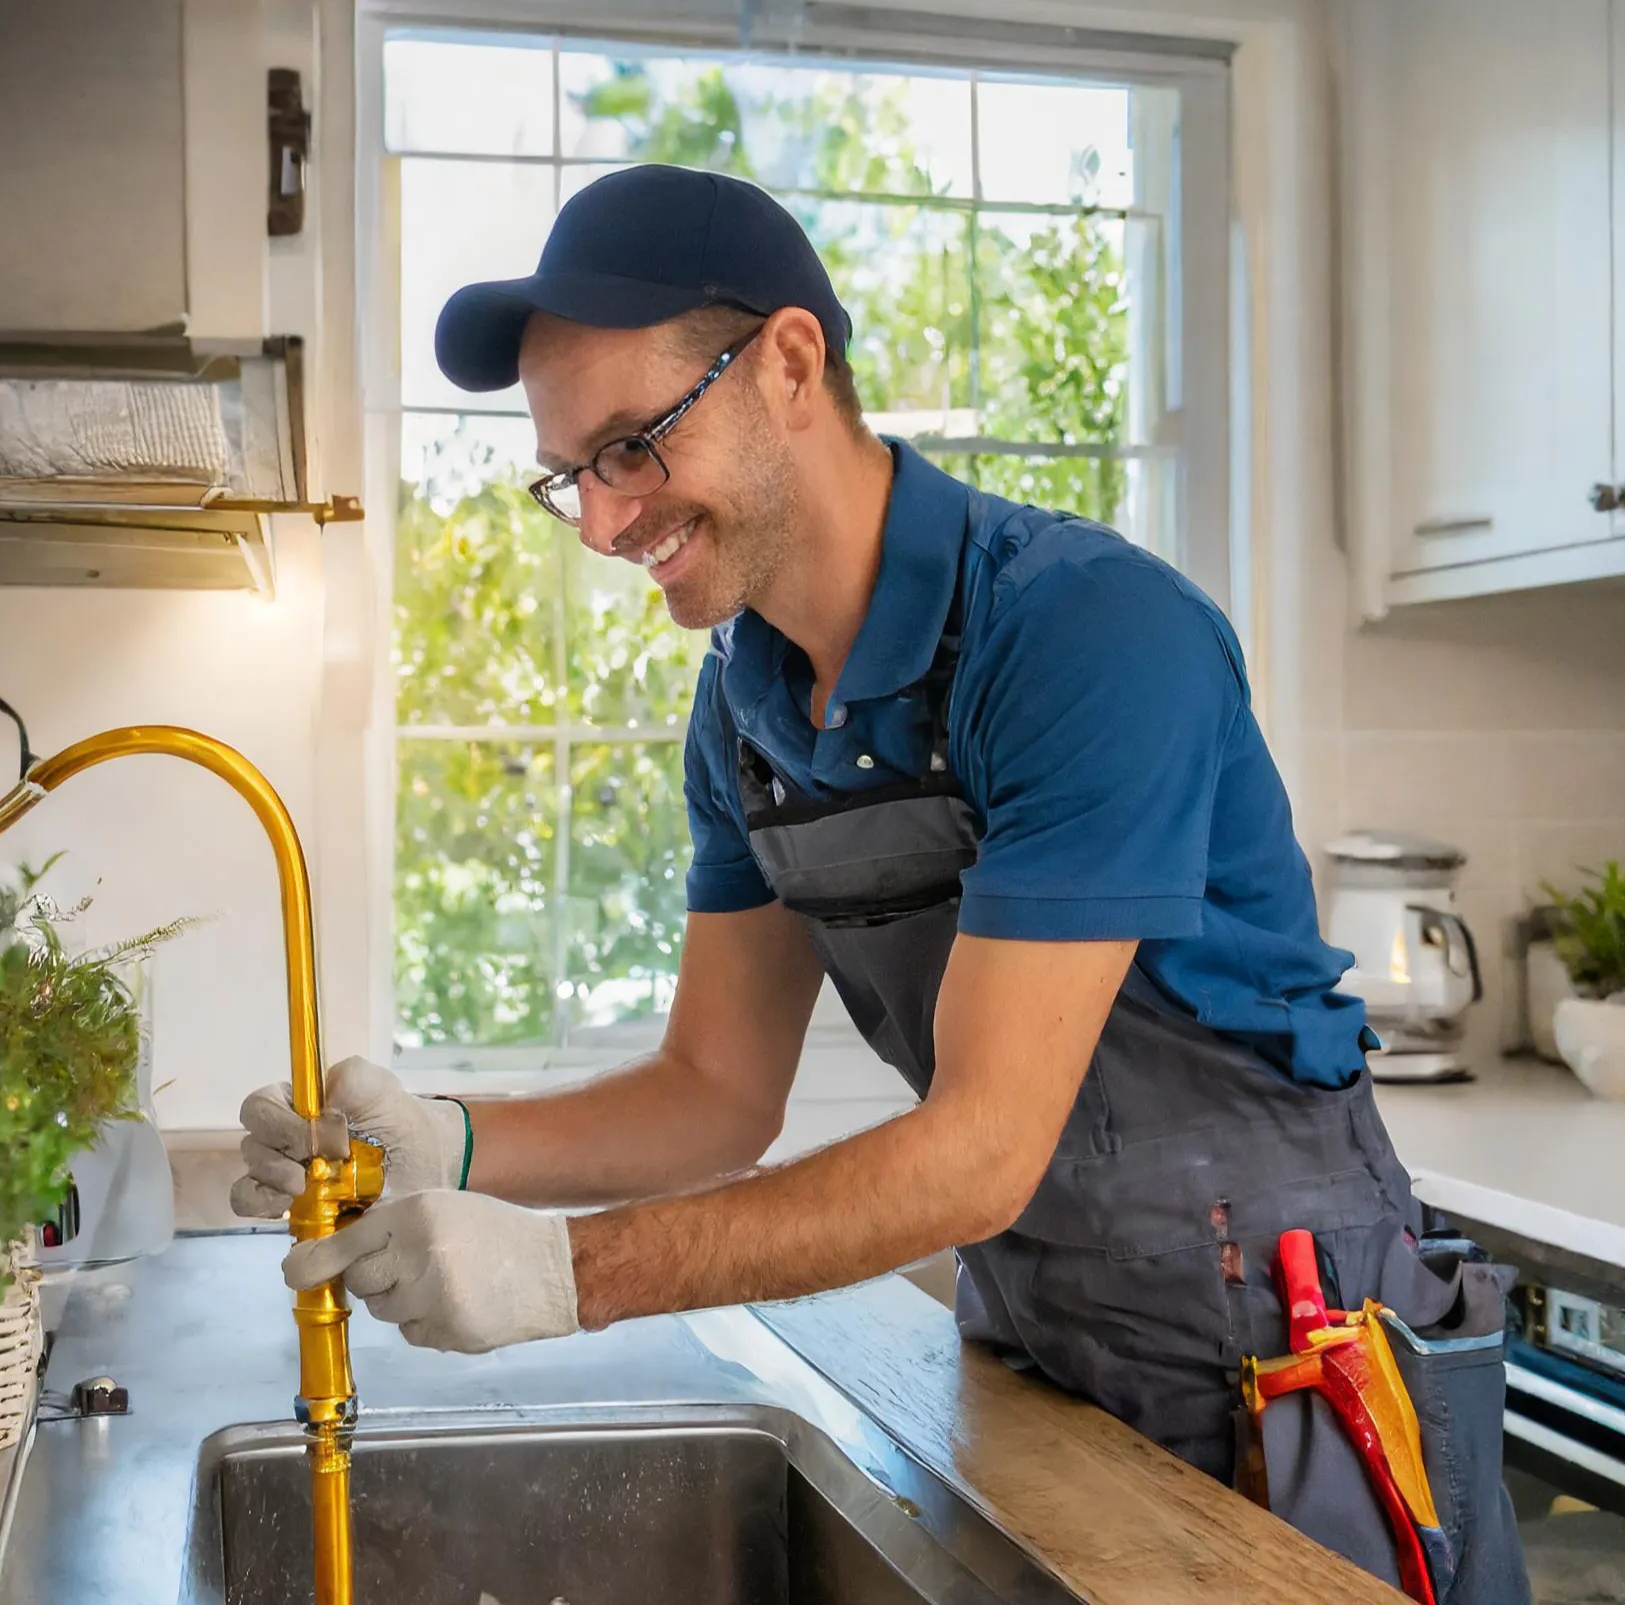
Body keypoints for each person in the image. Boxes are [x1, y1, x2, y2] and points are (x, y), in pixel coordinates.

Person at [232, 164, 1527, 1603]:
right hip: (1041, 1344)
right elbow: (717, 1092)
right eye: (574, 477)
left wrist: (568, 1276)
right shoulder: (742, 718)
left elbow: (979, 1151)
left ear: (788, 363)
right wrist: (447, 1144)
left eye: (633, 447)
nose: (603, 525)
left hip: (1287, 1367)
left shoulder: (1083, 635)